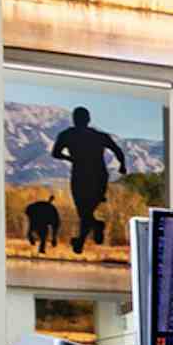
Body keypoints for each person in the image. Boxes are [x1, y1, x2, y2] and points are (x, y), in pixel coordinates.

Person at [48, 106, 128, 255]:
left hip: (81, 175)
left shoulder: (67, 135)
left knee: (84, 212)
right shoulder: (99, 135)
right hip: (99, 176)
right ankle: (82, 240)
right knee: (87, 211)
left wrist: (70, 158)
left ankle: (90, 232)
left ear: (74, 119)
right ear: (88, 120)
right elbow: (117, 150)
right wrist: (122, 165)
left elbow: (55, 153)